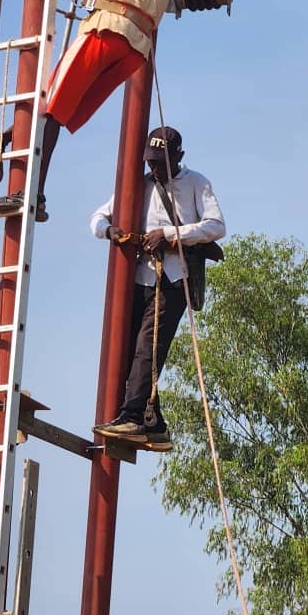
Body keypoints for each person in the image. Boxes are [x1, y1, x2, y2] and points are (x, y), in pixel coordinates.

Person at [0, 0, 185, 222]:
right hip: (136, 52)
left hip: (106, 30)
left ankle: (31, 192)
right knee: (62, 110)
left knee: (52, 105)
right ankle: (4, 139)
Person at [91, 126, 225, 445]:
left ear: (177, 157)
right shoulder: (140, 184)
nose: (155, 168)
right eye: (151, 161)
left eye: (161, 161)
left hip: (174, 279)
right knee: (126, 347)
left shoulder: (196, 183)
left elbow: (216, 226)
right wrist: (109, 231)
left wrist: (168, 236)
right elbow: (97, 217)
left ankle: (134, 417)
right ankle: (153, 420)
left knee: (147, 349)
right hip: (139, 277)